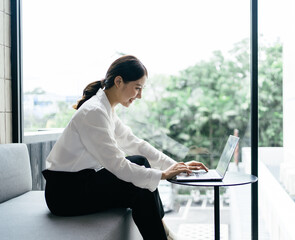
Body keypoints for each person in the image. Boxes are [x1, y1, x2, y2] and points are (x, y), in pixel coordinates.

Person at [42, 55, 208, 240]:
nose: (140, 95)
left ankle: (162, 232)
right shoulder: (94, 112)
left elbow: (135, 144)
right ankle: (163, 236)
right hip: (66, 195)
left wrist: (177, 166)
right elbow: (117, 164)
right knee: (138, 186)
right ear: (119, 81)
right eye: (137, 88)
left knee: (140, 162)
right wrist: (162, 175)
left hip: (82, 183)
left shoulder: (105, 109)